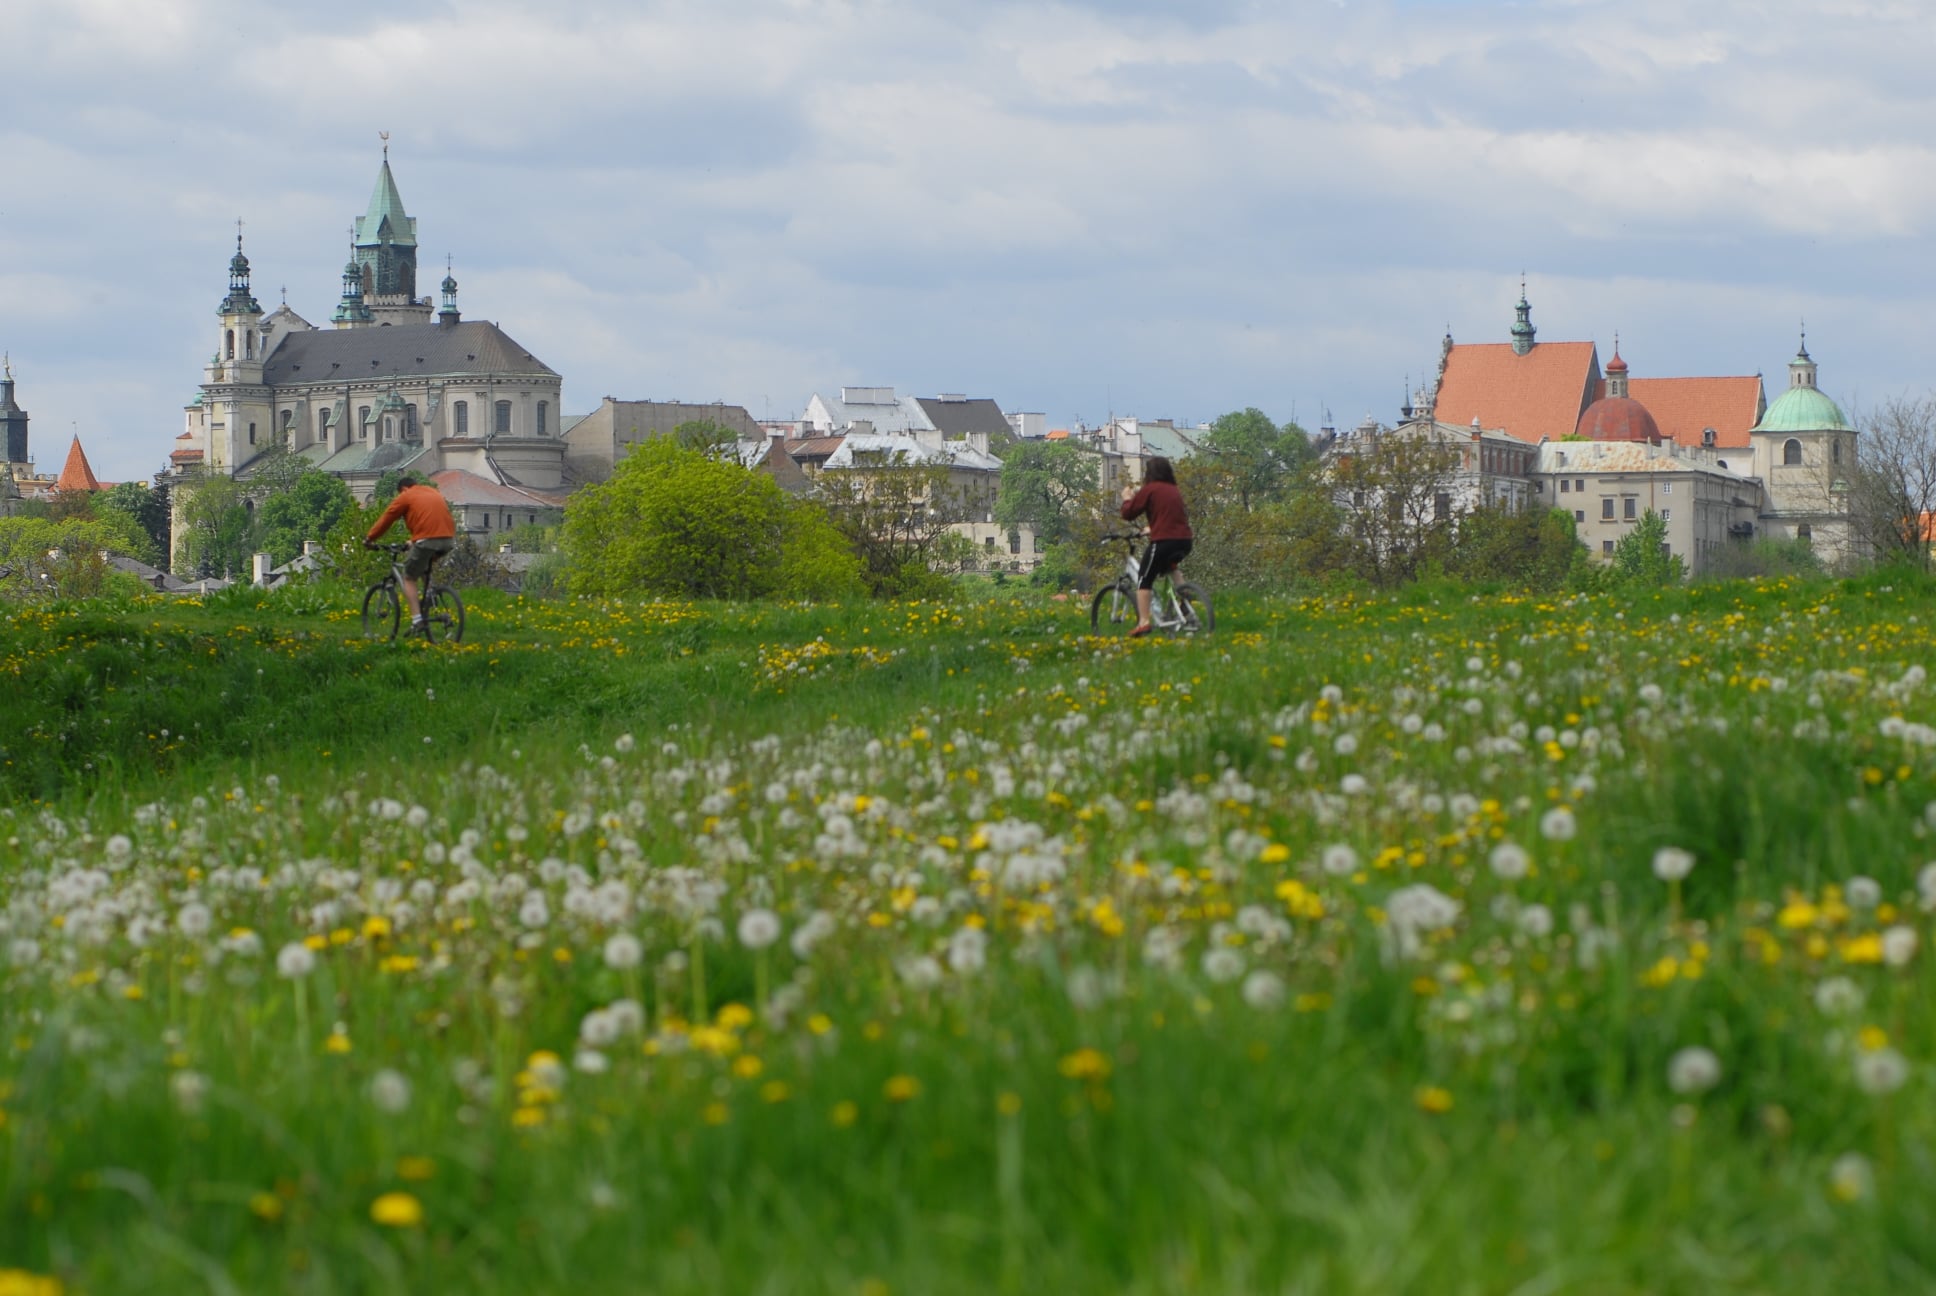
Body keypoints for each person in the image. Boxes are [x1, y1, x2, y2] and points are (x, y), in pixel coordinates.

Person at [364, 474, 456, 635]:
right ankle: (430, 596)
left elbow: (387, 518)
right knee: (424, 566)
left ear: (403, 489)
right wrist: (412, 541)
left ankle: (417, 620)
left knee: (409, 577)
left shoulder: (406, 495)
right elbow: (430, 520)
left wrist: (370, 538)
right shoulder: (431, 491)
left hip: (427, 540)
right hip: (448, 539)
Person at [1118, 457, 1193, 637]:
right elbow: (1171, 516)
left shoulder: (1150, 489)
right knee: (1171, 565)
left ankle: (1144, 622)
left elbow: (1128, 514)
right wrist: (1152, 528)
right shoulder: (1174, 490)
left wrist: (1127, 499)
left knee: (1144, 578)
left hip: (1163, 541)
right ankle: (1185, 595)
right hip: (1184, 540)